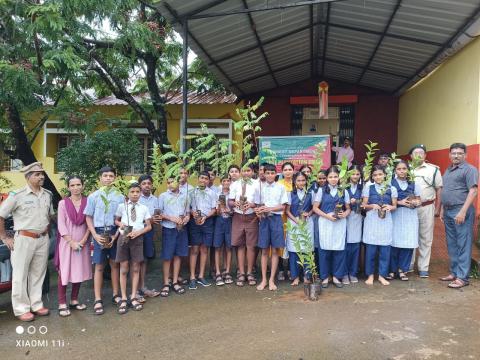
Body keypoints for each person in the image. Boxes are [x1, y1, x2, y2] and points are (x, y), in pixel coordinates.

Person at [0, 162, 54, 322]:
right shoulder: (17, 195)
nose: (41, 176)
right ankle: (21, 308)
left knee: (38, 273)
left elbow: (50, 216)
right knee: (20, 275)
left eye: (42, 174)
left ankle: (36, 304)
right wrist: (4, 237)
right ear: (28, 177)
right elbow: (1, 216)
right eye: (37, 174)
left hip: (42, 239)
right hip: (23, 239)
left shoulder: (47, 194)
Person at [84, 166, 124, 315]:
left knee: (115, 264)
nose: (108, 178)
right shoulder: (93, 196)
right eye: (105, 175)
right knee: (99, 266)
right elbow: (88, 217)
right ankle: (97, 299)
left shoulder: (120, 196)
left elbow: (121, 219)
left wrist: (116, 236)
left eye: (111, 176)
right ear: (100, 178)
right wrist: (94, 235)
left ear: (115, 178)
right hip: (99, 232)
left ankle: (115, 294)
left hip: (114, 232)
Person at [440, 143, 478, 289]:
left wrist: (462, 211)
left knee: (463, 244)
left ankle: (463, 277)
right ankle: (454, 272)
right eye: (453, 153)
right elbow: (446, 191)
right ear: (449, 155)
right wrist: (443, 208)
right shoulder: (448, 170)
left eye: (460, 153)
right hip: (449, 210)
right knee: (452, 244)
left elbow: (473, 191)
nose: (456, 156)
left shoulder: (469, 170)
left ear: (465, 155)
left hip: (461, 210)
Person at [55, 176, 91, 317]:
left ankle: (74, 300)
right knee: (64, 271)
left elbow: (90, 222)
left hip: (83, 241)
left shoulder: (88, 202)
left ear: (83, 186)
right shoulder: (63, 203)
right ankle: (62, 303)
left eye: (78, 184)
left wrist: (82, 241)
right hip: (66, 242)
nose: (76, 188)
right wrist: (71, 242)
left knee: (79, 270)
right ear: (68, 187)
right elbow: (61, 224)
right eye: (72, 185)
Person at [114, 183, 152, 314]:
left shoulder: (144, 208)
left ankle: (134, 296)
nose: (135, 194)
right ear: (128, 193)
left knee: (136, 268)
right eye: (132, 191)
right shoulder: (122, 206)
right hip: (124, 237)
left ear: (140, 193)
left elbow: (148, 226)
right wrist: (122, 225)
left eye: (137, 191)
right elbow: (116, 221)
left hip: (137, 238)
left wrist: (138, 232)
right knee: (124, 268)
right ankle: (124, 297)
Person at [313, 166, 351, 288]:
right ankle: (324, 277)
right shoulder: (321, 190)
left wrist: (344, 214)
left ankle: (336, 277)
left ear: (339, 177)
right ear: (327, 178)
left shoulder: (343, 191)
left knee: (339, 250)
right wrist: (327, 216)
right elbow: (315, 208)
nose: (333, 179)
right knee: (324, 250)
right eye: (330, 177)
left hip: (340, 223)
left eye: (335, 176)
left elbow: (348, 208)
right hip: (325, 223)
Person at [409, 144, 443, 278]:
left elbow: (439, 189)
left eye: (421, 153)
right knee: (409, 236)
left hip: (427, 207)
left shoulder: (433, 170)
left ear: (425, 156)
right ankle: (408, 265)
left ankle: (423, 267)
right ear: (410, 156)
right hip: (409, 208)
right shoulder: (404, 169)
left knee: (425, 238)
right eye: (415, 153)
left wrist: (438, 208)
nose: (418, 155)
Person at [362, 165, 397, 286]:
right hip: (371, 221)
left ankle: (382, 275)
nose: (378, 177)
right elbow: (363, 204)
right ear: (372, 176)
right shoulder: (368, 187)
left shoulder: (391, 188)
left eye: (380, 174)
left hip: (386, 221)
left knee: (384, 250)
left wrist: (390, 207)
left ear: (385, 175)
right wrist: (372, 206)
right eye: (375, 175)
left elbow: (395, 205)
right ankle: (370, 275)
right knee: (371, 251)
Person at [255, 164, 289, 291]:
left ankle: (271, 280)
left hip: (276, 219)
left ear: (276, 174)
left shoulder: (281, 187)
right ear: (263, 174)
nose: (269, 175)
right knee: (264, 251)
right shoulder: (259, 187)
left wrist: (269, 208)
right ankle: (264, 279)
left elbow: (283, 207)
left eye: (272, 173)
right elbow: (256, 205)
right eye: (267, 173)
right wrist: (259, 210)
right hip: (264, 220)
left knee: (275, 251)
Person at [389, 161, 421, 281]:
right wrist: (399, 202)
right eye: (399, 169)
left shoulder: (413, 183)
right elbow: (386, 199)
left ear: (408, 170)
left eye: (404, 169)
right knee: (394, 242)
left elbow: (419, 199)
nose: (402, 171)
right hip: (395, 215)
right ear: (395, 171)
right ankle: (392, 269)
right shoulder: (390, 183)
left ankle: (403, 269)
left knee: (407, 243)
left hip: (410, 216)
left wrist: (416, 202)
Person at [158, 177, 190, 296]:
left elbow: (187, 213)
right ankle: (166, 282)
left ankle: (175, 281)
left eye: (173, 181)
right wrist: (171, 218)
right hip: (169, 228)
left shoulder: (185, 196)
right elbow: (159, 213)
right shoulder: (163, 196)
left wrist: (186, 218)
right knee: (167, 256)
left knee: (178, 255)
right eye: (169, 182)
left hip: (181, 228)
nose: (171, 184)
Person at [228, 163, 259, 287]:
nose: (246, 173)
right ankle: (241, 273)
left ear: (252, 172)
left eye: (248, 170)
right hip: (238, 217)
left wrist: (251, 205)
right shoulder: (235, 184)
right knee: (240, 245)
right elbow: (229, 201)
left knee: (251, 246)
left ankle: (250, 272)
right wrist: (234, 203)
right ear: (241, 172)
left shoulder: (257, 184)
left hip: (252, 217)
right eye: (244, 171)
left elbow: (260, 202)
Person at [188, 171, 217, 289]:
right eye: (202, 178)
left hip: (207, 222)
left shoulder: (212, 193)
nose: (203, 180)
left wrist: (205, 217)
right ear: (198, 179)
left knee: (204, 249)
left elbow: (214, 209)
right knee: (194, 249)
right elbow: (188, 207)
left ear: (209, 180)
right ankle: (192, 277)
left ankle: (201, 276)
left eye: (206, 178)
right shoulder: (192, 193)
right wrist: (192, 213)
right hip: (195, 222)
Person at [286, 172, 314, 286]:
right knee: (294, 250)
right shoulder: (290, 194)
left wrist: (309, 213)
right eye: (298, 180)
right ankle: (295, 277)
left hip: (307, 223)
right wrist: (296, 220)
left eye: (303, 180)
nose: (301, 183)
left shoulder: (311, 193)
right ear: (294, 181)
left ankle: (307, 276)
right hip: (294, 223)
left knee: (307, 249)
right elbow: (287, 211)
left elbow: (314, 208)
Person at [137, 174, 161, 299]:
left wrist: (156, 218)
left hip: (149, 232)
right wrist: (150, 220)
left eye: (149, 183)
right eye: (144, 183)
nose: (147, 185)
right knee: (136, 261)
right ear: (140, 185)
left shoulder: (154, 199)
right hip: (136, 233)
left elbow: (156, 216)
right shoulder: (135, 197)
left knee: (145, 259)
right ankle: (134, 291)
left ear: (152, 185)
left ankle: (143, 287)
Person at [213, 175, 233, 286]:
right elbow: (215, 212)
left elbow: (235, 209)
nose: (226, 182)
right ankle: (218, 272)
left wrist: (229, 211)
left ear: (230, 182)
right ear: (221, 182)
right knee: (218, 247)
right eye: (224, 180)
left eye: (228, 180)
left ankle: (227, 271)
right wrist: (219, 209)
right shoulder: (217, 194)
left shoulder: (233, 194)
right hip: (219, 222)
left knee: (229, 247)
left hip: (230, 221)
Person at [344, 165, 363, 284]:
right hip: (345, 218)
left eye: (357, 174)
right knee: (345, 247)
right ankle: (344, 273)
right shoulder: (343, 188)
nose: (355, 176)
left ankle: (353, 272)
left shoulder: (363, 187)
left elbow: (368, 201)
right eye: (353, 174)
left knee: (356, 246)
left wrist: (358, 202)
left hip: (357, 218)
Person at [277, 162, 295, 281]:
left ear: (293, 170)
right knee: (280, 242)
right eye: (286, 169)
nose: (288, 171)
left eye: (290, 169)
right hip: (281, 217)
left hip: (294, 217)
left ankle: (290, 269)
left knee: (292, 242)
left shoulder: (298, 182)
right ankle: (280, 269)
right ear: (282, 172)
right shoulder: (279, 184)